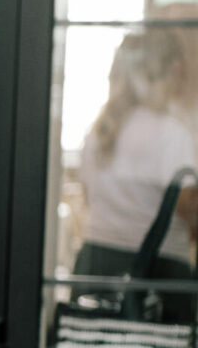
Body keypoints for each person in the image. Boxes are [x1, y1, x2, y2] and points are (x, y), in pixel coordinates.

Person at [75, 26, 198, 323]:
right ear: (174, 69)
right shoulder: (172, 135)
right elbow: (191, 214)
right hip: (160, 276)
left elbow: (90, 199)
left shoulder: (100, 132)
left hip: (95, 265)